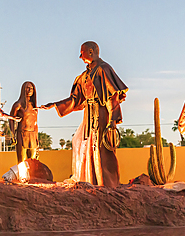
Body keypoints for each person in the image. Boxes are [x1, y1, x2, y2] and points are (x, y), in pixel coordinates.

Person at [40, 41, 128, 187]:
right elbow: (76, 99)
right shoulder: (84, 76)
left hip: (101, 114)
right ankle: (87, 179)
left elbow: (112, 97)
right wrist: (55, 104)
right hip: (88, 114)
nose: (80, 56)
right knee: (80, 142)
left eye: (82, 52)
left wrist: (112, 120)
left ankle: (106, 183)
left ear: (91, 51)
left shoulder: (103, 69)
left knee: (100, 148)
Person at [9, 81, 39, 163]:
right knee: (22, 161)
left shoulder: (34, 106)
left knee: (33, 161)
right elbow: (11, 119)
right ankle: (22, 176)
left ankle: (32, 176)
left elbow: (35, 124)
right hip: (22, 134)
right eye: (27, 88)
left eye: (32, 88)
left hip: (32, 135)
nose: (30, 90)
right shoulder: (18, 105)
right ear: (23, 90)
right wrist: (12, 135)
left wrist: (36, 138)